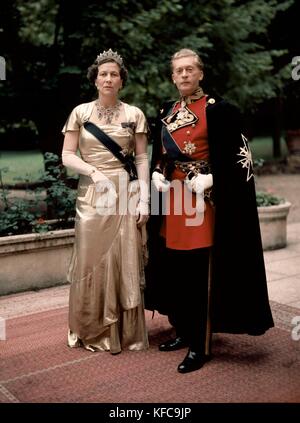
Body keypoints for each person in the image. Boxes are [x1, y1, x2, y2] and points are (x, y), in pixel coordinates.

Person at [145, 48, 274, 373]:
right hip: (172, 201)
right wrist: (158, 172)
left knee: (200, 273)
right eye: (179, 71)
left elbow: (241, 159)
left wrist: (213, 178)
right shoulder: (167, 109)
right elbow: (162, 152)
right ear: (173, 77)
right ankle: (184, 331)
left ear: (201, 73)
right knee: (176, 270)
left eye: (191, 69)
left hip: (203, 201)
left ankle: (201, 346)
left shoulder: (221, 111)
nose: (185, 75)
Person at [61, 49, 149, 354]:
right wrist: (93, 171)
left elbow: (141, 159)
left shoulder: (134, 114)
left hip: (126, 194)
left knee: (123, 259)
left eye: (114, 74)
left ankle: (124, 333)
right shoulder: (80, 113)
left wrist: (145, 201)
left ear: (121, 81)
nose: (108, 79)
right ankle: (90, 330)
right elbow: (67, 155)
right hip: (91, 196)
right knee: (89, 260)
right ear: (95, 79)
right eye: (103, 74)